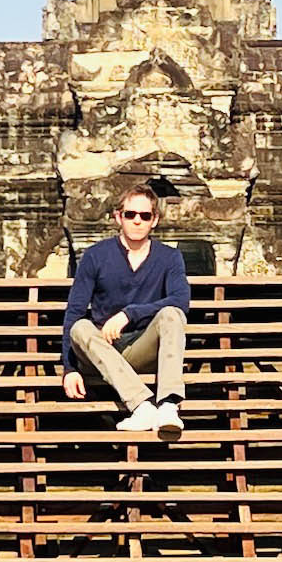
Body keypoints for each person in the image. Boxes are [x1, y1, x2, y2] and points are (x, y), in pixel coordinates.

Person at [61, 183, 190, 439]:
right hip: (102, 350)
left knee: (172, 314)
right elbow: (74, 312)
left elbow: (181, 299)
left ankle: (167, 405)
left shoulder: (169, 257)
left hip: (141, 347)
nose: (137, 221)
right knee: (80, 327)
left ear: (155, 220)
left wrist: (130, 314)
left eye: (145, 215)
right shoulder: (96, 256)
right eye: (130, 214)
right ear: (118, 217)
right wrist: (69, 369)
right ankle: (142, 406)